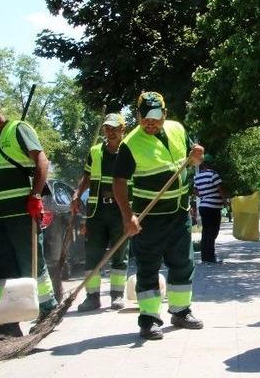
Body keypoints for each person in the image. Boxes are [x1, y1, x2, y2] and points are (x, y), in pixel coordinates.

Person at [0, 98, 58, 346]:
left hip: (21, 216)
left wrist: (36, 196)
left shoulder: (18, 129)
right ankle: (7, 325)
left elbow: (42, 161)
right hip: (1, 217)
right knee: (3, 271)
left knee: (31, 266)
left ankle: (49, 313)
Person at [112, 91, 204, 340]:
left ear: (165, 114)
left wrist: (196, 157)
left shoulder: (177, 129)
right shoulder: (130, 144)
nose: (150, 123)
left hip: (179, 214)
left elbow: (193, 158)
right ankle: (149, 320)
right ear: (138, 116)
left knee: (183, 264)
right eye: (145, 118)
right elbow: (119, 183)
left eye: (156, 117)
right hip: (148, 218)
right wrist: (127, 216)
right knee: (149, 267)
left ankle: (181, 311)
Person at [70, 112, 130, 312]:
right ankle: (92, 297)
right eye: (107, 128)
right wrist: (77, 194)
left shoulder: (129, 150)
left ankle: (117, 295)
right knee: (92, 254)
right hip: (96, 212)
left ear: (123, 129)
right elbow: (86, 176)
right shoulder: (95, 151)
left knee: (119, 253)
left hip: (120, 211)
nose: (110, 132)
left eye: (115, 128)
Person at [193, 156, 226, 263]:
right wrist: (225, 201)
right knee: (213, 232)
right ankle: (211, 257)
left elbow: (195, 191)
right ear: (210, 164)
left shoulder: (197, 177)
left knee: (206, 231)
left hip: (203, 206)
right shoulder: (213, 174)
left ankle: (205, 257)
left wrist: (203, 196)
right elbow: (220, 189)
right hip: (213, 207)